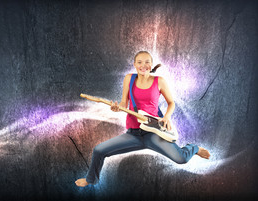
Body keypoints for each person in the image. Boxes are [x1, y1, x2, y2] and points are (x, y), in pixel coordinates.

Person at [75, 51, 211, 187]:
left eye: (147, 62)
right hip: (133, 134)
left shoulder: (159, 81)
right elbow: (124, 103)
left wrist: (167, 117)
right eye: (139, 62)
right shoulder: (129, 79)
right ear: (134, 64)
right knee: (99, 150)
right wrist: (118, 107)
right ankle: (91, 179)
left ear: (151, 64)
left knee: (181, 159)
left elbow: (171, 103)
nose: (143, 65)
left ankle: (193, 148)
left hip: (154, 133)